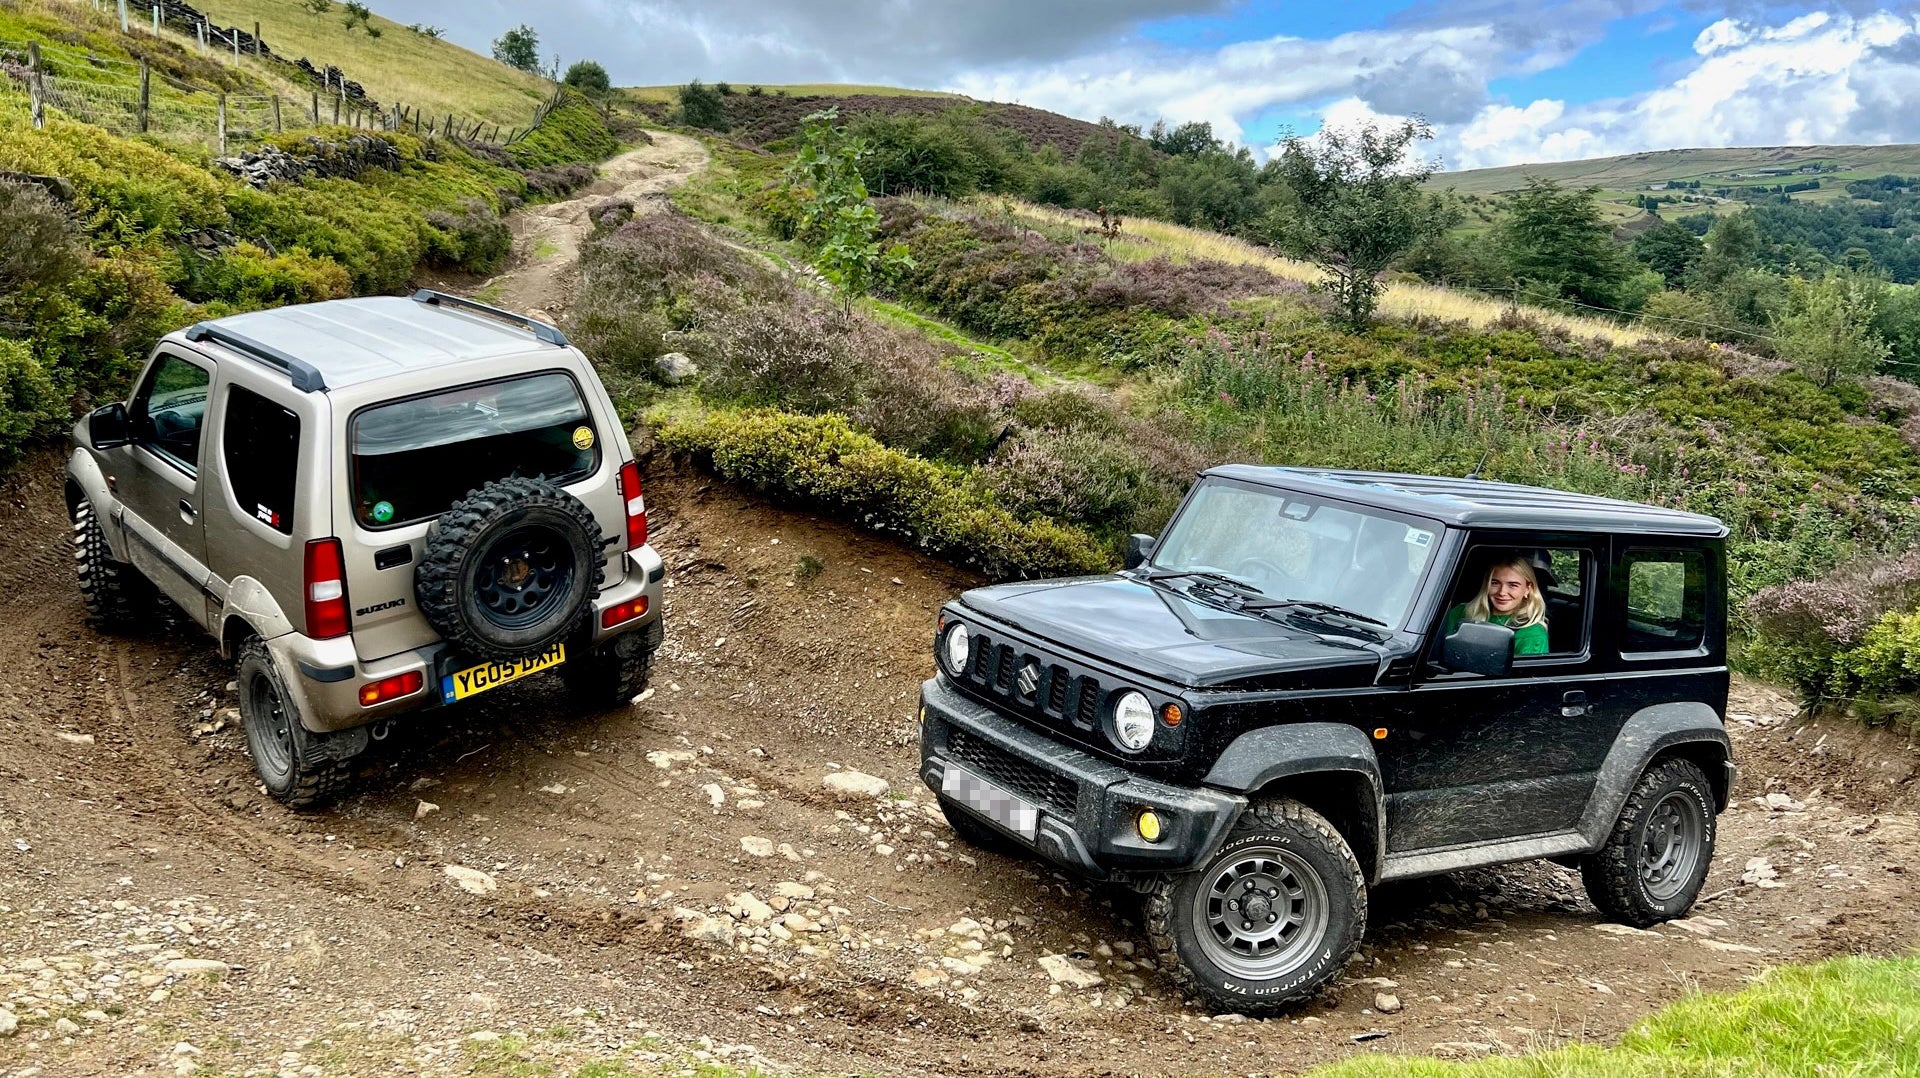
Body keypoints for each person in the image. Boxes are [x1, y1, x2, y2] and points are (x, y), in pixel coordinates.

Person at [1444, 554, 1549, 656]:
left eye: (1513, 585)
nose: (1502, 592)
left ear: (1528, 589)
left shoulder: (1531, 634)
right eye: (1495, 583)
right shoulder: (1460, 613)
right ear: (1487, 585)